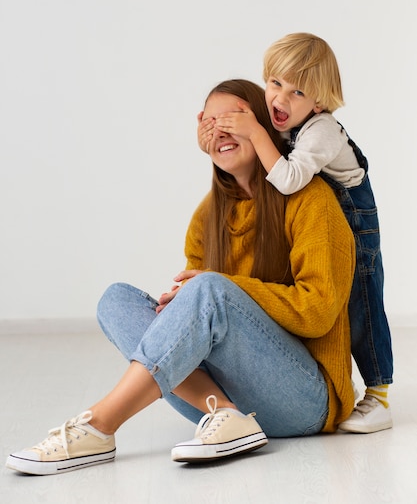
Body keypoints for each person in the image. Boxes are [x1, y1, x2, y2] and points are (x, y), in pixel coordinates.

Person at [6, 79, 355, 476]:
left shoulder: (312, 199)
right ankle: (225, 414)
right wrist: (186, 305)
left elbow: (319, 312)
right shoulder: (207, 217)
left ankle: (99, 425)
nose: (221, 130)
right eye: (211, 121)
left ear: (263, 125)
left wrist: (218, 290)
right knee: (115, 299)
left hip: (305, 401)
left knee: (210, 288)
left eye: (234, 118)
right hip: (231, 401)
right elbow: (204, 311)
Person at [198, 34, 393, 434]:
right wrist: (218, 141)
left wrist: (253, 131)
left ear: (318, 103)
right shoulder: (286, 124)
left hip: (355, 219)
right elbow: (253, 166)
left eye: (297, 91)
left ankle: (380, 394)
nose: (280, 100)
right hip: (330, 216)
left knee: (364, 308)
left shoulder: (320, 132)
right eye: (274, 84)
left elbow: (285, 179)